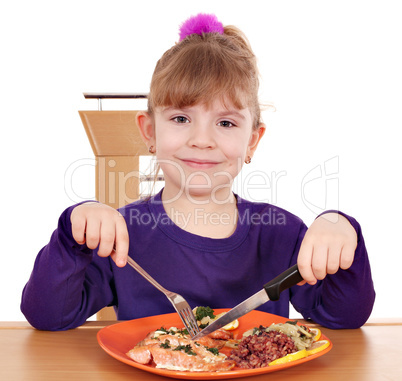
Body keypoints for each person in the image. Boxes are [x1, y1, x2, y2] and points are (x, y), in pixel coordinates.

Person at [21, 14, 375, 331]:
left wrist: (342, 230)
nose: (202, 140)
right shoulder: (121, 236)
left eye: (225, 122)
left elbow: (343, 316)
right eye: (180, 118)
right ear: (150, 133)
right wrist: (73, 233)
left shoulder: (281, 235)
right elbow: (48, 316)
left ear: (253, 140)